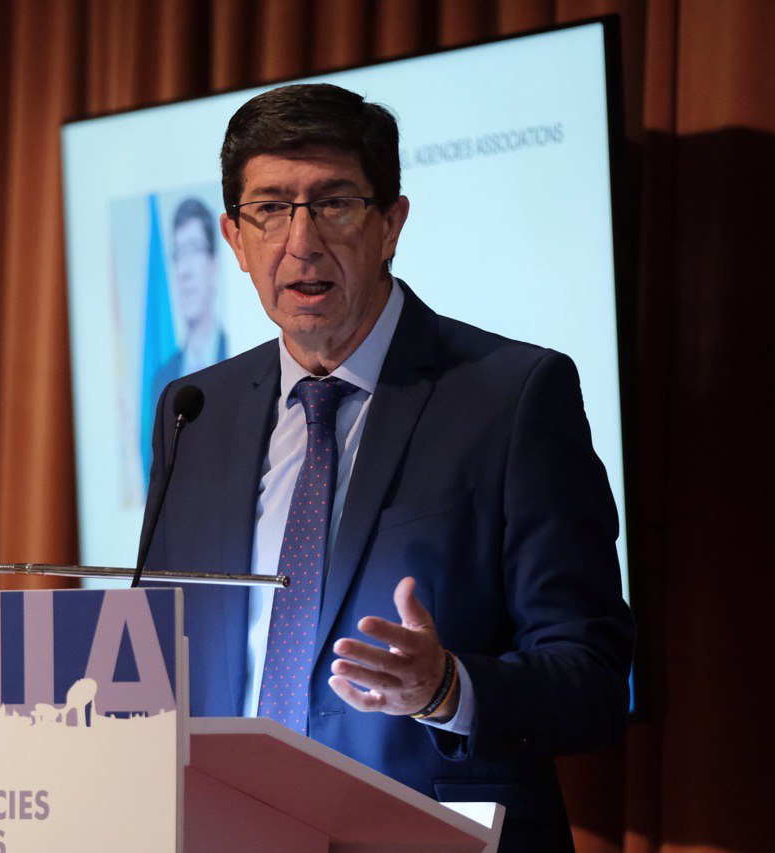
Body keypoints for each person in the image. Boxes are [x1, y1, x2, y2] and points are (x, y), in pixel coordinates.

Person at [140, 84, 633, 851]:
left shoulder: (513, 397)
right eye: (271, 209)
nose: (302, 242)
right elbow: (156, 651)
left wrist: (445, 688)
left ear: (391, 223)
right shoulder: (195, 411)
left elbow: (593, 678)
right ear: (235, 237)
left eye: (334, 204)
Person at [151, 196, 230, 400]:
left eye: (194, 249)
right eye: (179, 253)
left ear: (214, 263)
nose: (184, 270)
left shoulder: (240, 353)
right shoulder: (162, 379)